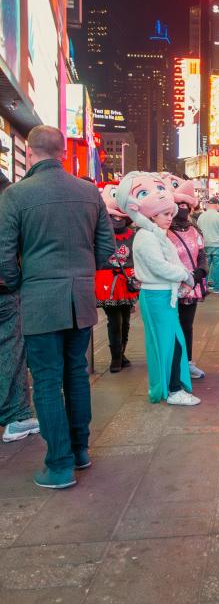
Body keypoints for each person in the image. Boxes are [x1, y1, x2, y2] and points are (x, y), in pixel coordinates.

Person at [0, 125, 115, 488]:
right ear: (64, 152)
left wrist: (22, 282)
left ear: (31, 153)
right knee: (76, 374)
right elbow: (107, 247)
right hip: (80, 299)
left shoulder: (16, 195)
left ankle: (59, 463)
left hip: (39, 301)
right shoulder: (88, 192)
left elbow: (3, 256)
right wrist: (82, 272)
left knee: (48, 382)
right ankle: (80, 451)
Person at [116, 173, 199, 407]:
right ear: (151, 215)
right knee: (169, 343)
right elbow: (159, 266)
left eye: (170, 214)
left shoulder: (151, 234)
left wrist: (181, 280)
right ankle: (173, 389)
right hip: (157, 296)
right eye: (165, 214)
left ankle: (172, 387)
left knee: (172, 342)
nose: (170, 218)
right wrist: (184, 276)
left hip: (162, 295)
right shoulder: (146, 236)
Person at [0, 143, 38, 445]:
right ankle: (16, 415)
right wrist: (14, 281)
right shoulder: (8, 206)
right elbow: (7, 255)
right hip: (4, 292)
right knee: (11, 348)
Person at [167, 177, 209, 380]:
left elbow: (202, 253)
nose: (182, 208)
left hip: (192, 286)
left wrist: (201, 270)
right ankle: (172, 363)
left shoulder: (195, 230)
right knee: (170, 325)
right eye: (178, 205)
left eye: (185, 205)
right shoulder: (164, 231)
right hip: (170, 286)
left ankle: (188, 361)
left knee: (187, 325)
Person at [95, 183, 139, 373]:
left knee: (126, 320)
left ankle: (121, 354)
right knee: (114, 321)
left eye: (120, 217)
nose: (117, 220)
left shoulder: (134, 235)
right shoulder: (100, 235)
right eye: (113, 217)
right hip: (107, 282)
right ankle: (115, 357)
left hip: (127, 280)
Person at [197, 197, 219, 293]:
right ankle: (216, 288)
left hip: (205, 244)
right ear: (217, 204)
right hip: (218, 245)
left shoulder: (201, 216)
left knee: (205, 266)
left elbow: (198, 231)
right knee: (217, 266)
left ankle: (204, 288)